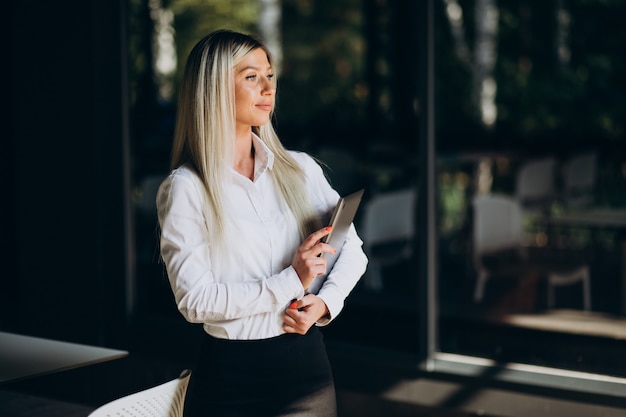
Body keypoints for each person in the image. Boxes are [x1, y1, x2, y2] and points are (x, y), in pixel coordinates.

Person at [156, 29, 368, 417]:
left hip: (305, 373)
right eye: (251, 77)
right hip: (228, 382)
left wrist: (324, 302)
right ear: (214, 87)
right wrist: (292, 279)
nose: (267, 87)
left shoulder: (299, 168)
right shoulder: (186, 189)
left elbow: (352, 249)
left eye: (269, 75)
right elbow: (194, 301)